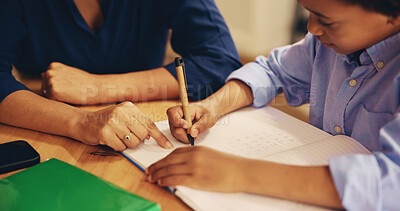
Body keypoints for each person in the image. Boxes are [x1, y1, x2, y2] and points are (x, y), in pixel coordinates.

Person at [145, 0, 400, 210]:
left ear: (394, 16)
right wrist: (212, 107)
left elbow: (390, 183)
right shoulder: (325, 45)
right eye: (308, 13)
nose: (311, 29)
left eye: (326, 21)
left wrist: (238, 172)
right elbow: (272, 71)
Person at [0, 0, 241, 151]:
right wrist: (81, 121)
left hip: (142, 124)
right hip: (44, 126)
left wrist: (95, 87)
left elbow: (220, 61)